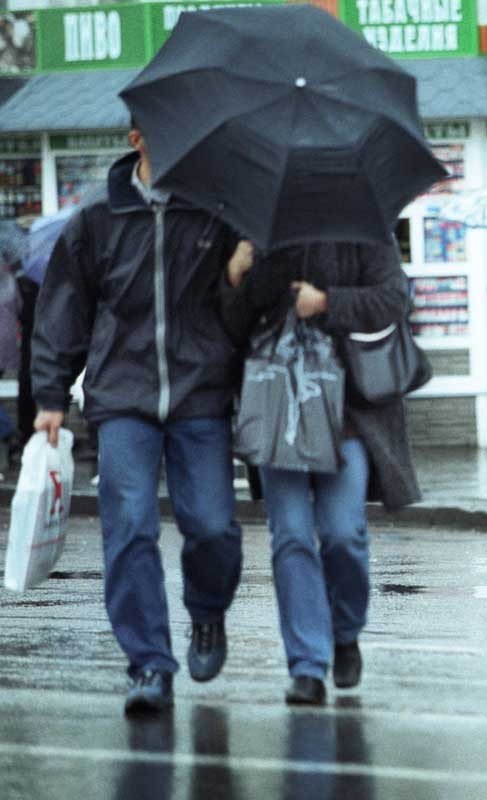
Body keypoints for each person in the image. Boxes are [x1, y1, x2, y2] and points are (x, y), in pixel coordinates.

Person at [31, 120, 244, 715]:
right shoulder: (98, 219)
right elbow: (62, 311)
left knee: (214, 528)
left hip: (200, 393)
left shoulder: (213, 213)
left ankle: (206, 614)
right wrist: (51, 397)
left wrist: (243, 268)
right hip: (123, 398)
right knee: (128, 527)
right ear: (137, 140)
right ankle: (149, 663)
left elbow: (239, 310)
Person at [222, 240, 421, 706]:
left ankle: (345, 631)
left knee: (343, 535)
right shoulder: (258, 233)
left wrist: (329, 302)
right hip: (277, 413)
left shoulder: (364, 231)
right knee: (290, 536)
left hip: (348, 415)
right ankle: (307, 665)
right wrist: (235, 277)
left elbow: (394, 298)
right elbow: (229, 329)